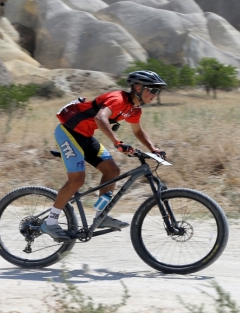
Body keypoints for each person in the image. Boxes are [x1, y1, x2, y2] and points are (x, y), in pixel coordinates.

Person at [41, 70, 168, 241]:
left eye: (157, 91)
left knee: (112, 172)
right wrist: (117, 142)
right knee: (77, 180)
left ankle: (101, 216)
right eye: (152, 90)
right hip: (68, 132)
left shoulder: (134, 110)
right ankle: (50, 222)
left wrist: (154, 149)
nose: (155, 94)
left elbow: (137, 131)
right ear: (138, 87)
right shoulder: (118, 99)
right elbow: (101, 118)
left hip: (85, 137)